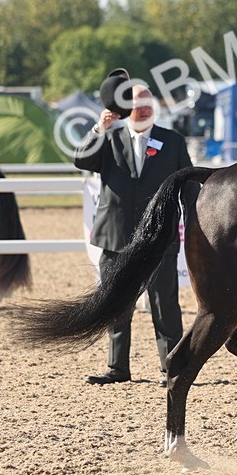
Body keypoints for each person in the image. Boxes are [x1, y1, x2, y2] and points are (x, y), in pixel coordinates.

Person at [75, 71, 193, 385]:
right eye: (136, 102)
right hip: (115, 236)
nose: (143, 108)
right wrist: (99, 128)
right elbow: (80, 160)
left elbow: (190, 189)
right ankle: (117, 369)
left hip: (159, 238)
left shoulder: (173, 142)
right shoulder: (109, 138)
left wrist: (197, 226)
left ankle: (173, 368)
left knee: (164, 304)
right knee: (116, 303)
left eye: (147, 102)